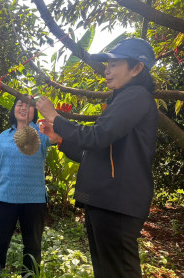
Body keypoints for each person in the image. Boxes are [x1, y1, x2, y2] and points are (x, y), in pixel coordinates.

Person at [36, 38, 158, 278]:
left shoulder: (136, 97)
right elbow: (94, 151)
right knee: (107, 271)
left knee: (118, 271)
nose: (107, 70)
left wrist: (55, 117)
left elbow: (96, 137)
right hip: (106, 201)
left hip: (117, 202)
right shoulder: (122, 99)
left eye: (114, 65)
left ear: (136, 68)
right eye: (107, 65)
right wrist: (60, 139)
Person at [0, 97, 60, 277]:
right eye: (19, 104)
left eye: (29, 106)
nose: (24, 107)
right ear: (13, 109)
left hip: (33, 200)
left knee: (32, 246)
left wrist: (54, 118)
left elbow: (57, 138)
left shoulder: (41, 133)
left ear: (35, 112)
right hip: (4, 198)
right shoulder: (4, 136)